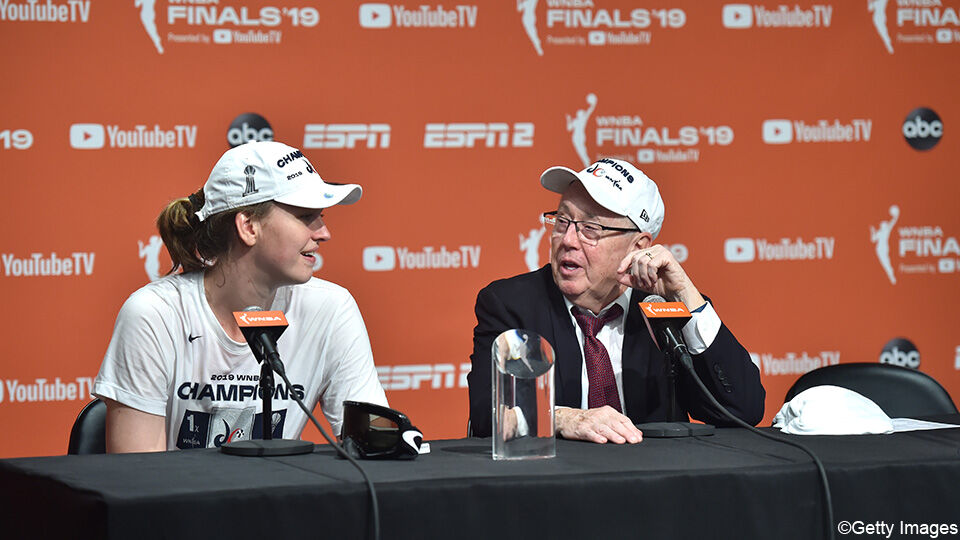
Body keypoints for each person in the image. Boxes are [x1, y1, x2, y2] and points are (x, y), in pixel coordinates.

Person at [94, 141, 387, 452]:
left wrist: (389, 437)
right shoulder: (154, 314)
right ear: (248, 226)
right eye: (305, 216)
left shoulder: (331, 308)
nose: (324, 232)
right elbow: (137, 479)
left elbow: (375, 443)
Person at [468, 158, 764, 443]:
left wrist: (687, 295)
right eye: (562, 220)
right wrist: (563, 419)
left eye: (590, 229)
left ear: (638, 246)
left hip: (656, 486)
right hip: (556, 486)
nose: (568, 240)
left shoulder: (665, 309)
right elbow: (488, 414)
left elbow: (744, 409)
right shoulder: (512, 305)